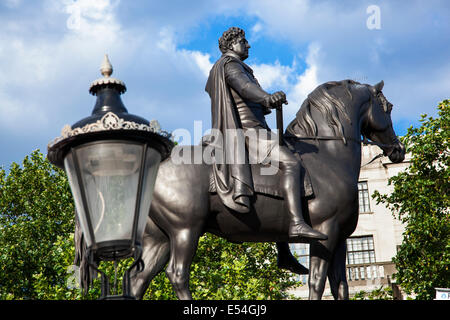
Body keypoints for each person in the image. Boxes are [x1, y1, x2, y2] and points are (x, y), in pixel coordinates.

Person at [205, 27, 326, 241]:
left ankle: (284, 250)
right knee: (291, 164)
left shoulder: (236, 66)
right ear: (231, 45)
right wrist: (267, 97)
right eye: (243, 41)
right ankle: (297, 223)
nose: (248, 45)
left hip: (256, 129)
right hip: (249, 132)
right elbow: (244, 88)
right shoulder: (230, 64)